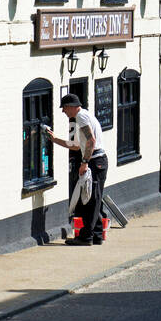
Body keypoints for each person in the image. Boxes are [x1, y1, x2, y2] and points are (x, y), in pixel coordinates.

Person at [49, 93, 108, 246]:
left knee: (91, 200)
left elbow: (91, 140)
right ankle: (96, 235)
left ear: (71, 107)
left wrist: (85, 162)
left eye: (64, 108)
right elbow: (77, 146)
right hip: (97, 160)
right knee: (93, 198)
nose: (63, 112)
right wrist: (55, 140)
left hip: (95, 161)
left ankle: (86, 237)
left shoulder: (81, 117)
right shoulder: (85, 115)